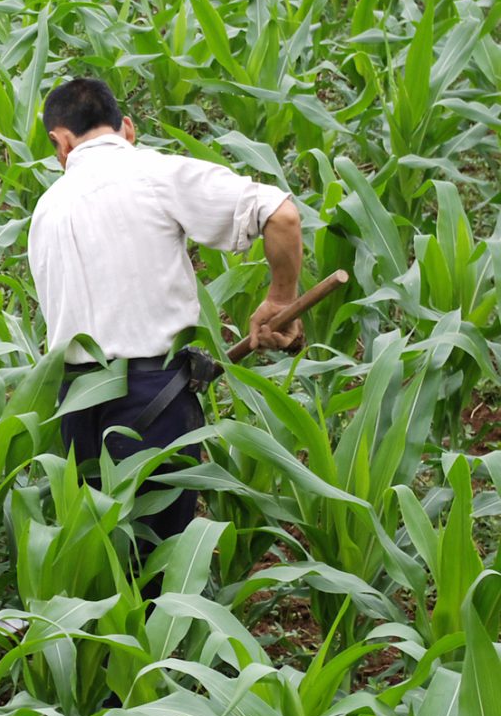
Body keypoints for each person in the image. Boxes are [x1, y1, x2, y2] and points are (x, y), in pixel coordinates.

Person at [27, 76, 306, 545]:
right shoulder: (154, 174)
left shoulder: (46, 209)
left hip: (75, 405)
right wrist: (280, 300)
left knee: (101, 563)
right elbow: (281, 214)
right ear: (128, 129)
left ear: (60, 142)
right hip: (153, 400)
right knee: (157, 565)